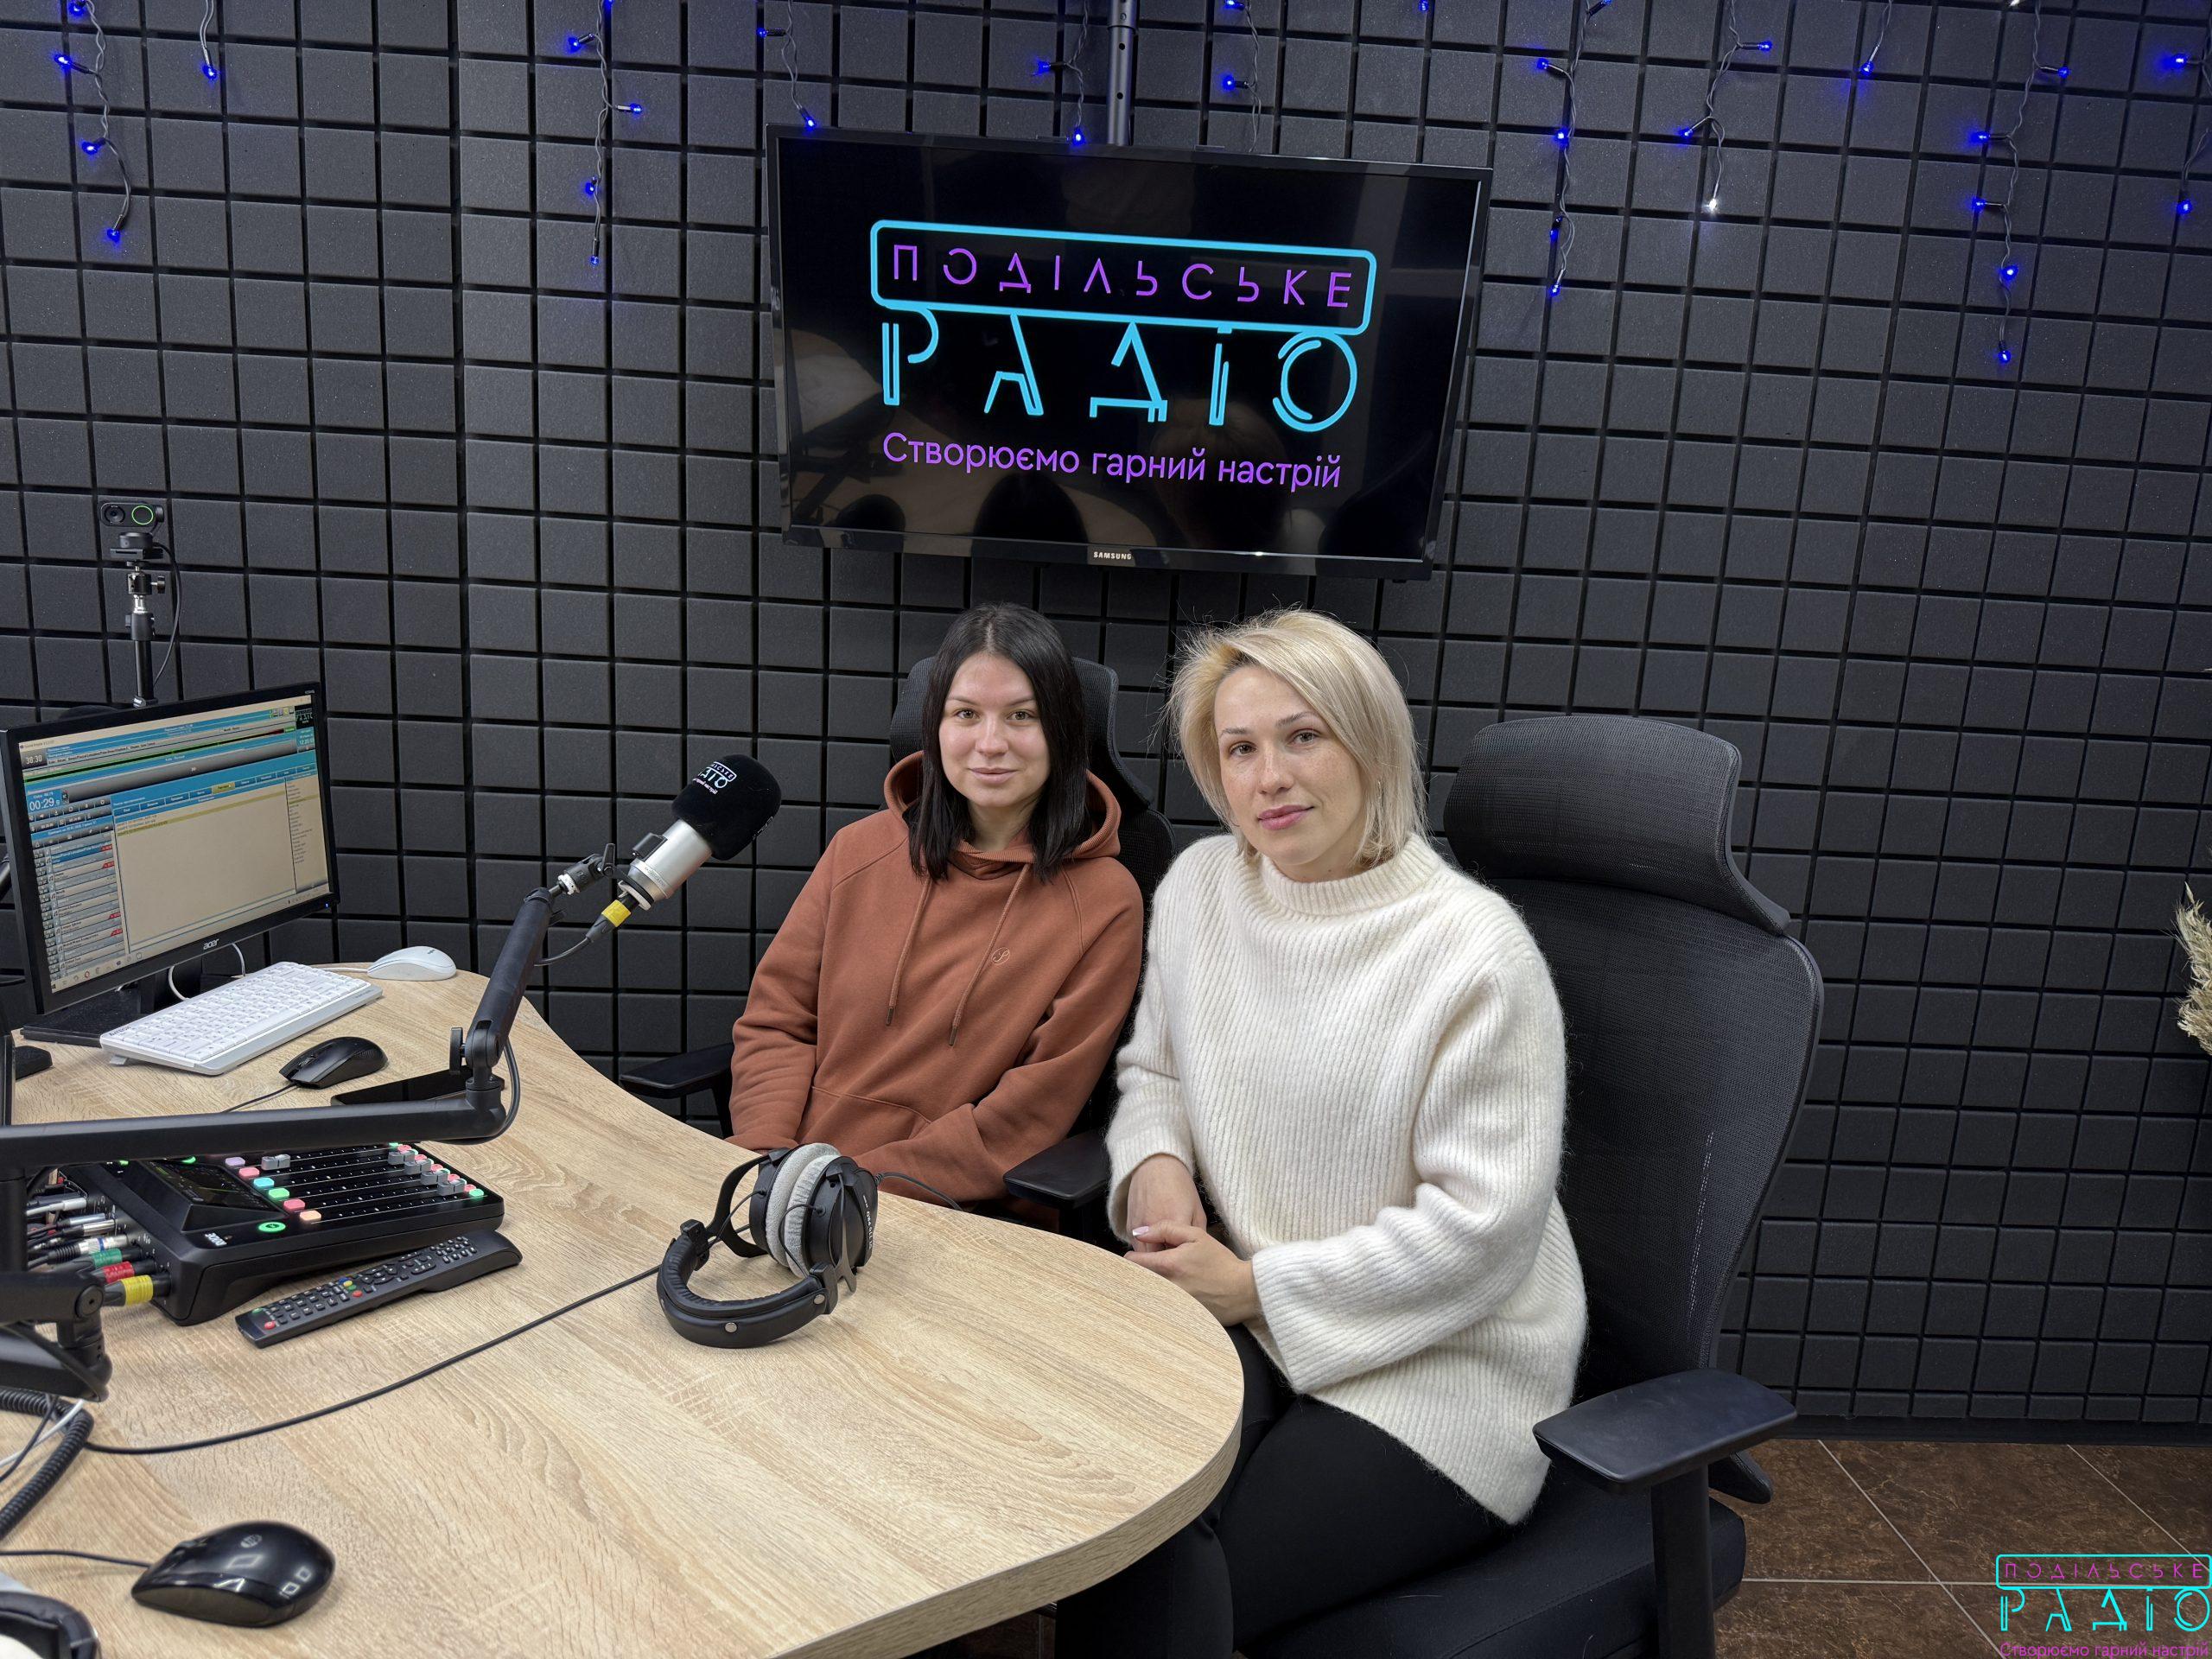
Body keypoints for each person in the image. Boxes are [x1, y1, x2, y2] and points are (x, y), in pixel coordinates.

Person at [1057, 607, 1588, 1657]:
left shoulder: (1475, 952)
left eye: (1302, 736)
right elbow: (1156, 1071)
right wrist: (1157, 1169)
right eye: (1239, 749)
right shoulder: (1202, 887)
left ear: (1370, 743)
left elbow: (1482, 1233)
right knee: (1111, 1508)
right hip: (1244, 1305)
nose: (1269, 778)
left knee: (1182, 1574)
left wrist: (1255, 1287)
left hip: (1444, 1362)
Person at [725, 604, 1144, 1207]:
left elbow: (1029, 1117)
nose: (990, 744)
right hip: (789, 1180)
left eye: (1022, 716)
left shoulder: (1105, 901)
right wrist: (766, 1159)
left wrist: (848, 1187)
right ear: (936, 727)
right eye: (966, 714)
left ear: (1063, 731)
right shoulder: (858, 850)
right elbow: (777, 1021)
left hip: (953, 1207)